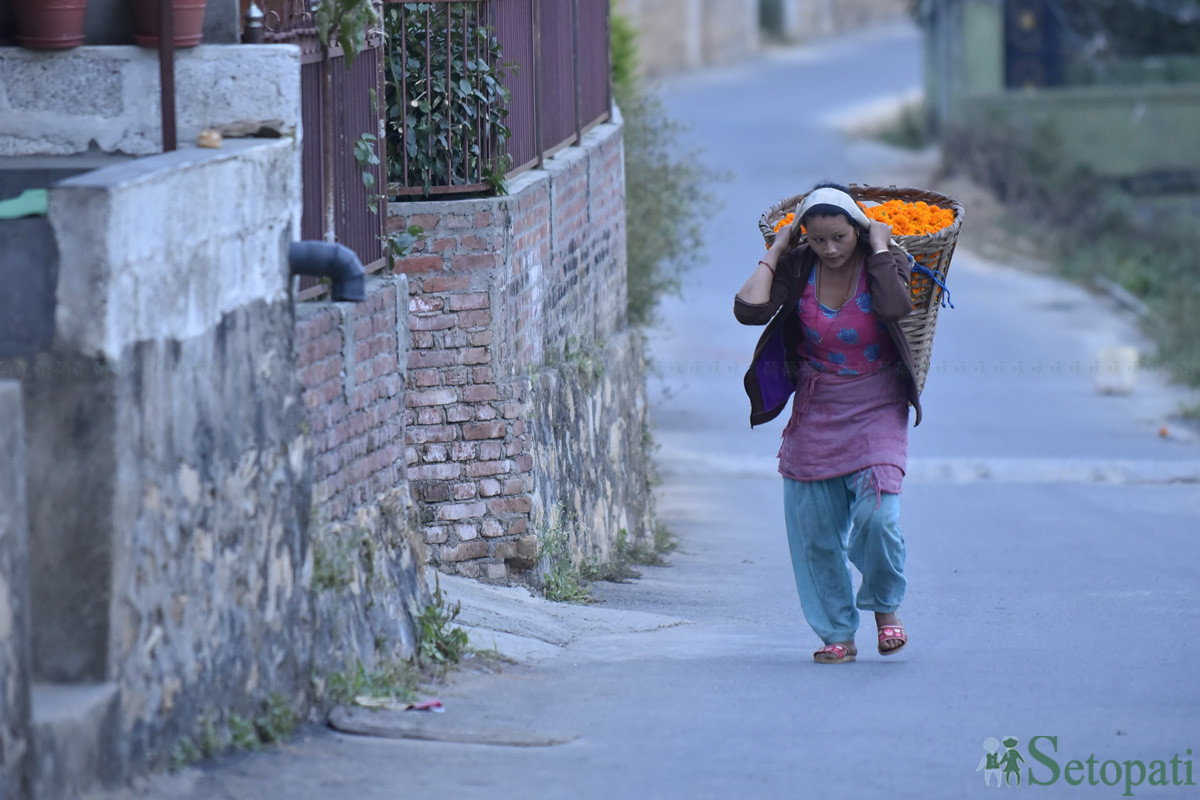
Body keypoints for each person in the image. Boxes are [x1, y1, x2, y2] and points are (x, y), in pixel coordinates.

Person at [733, 182, 922, 664]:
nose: (830, 249)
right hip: (818, 408)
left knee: (878, 518)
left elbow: (896, 307)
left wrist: (879, 245)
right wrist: (778, 248)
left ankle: (885, 608)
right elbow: (748, 310)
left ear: (856, 229)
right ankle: (836, 630)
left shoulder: (884, 259)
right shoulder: (799, 266)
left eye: (839, 237)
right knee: (814, 533)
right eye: (818, 240)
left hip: (878, 401)